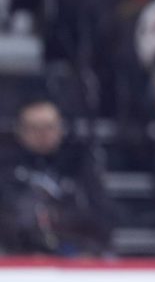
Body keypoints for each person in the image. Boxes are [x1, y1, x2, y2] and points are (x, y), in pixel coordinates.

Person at [0, 98, 111, 256]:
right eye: (34, 128)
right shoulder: (5, 168)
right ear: (20, 130)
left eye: (49, 127)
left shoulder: (80, 165)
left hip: (77, 255)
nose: (42, 134)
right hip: (20, 258)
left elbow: (102, 215)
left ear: (60, 128)